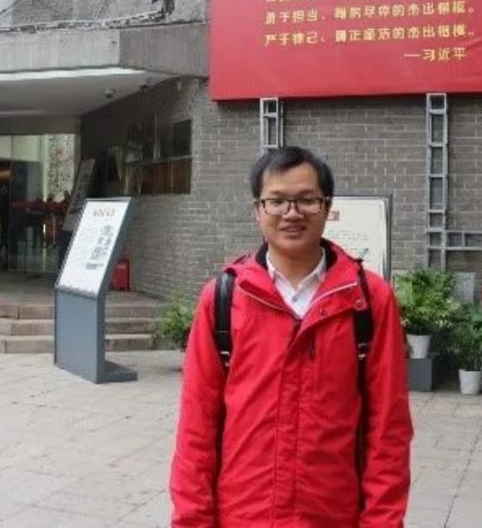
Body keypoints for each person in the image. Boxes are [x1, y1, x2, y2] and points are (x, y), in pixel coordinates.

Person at [170, 146, 413, 526]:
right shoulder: (223, 299)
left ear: (326, 207)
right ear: (257, 209)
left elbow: (389, 430)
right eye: (277, 201)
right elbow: (196, 427)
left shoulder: (368, 300)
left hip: (333, 516)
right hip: (244, 516)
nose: (292, 213)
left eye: (306, 200)